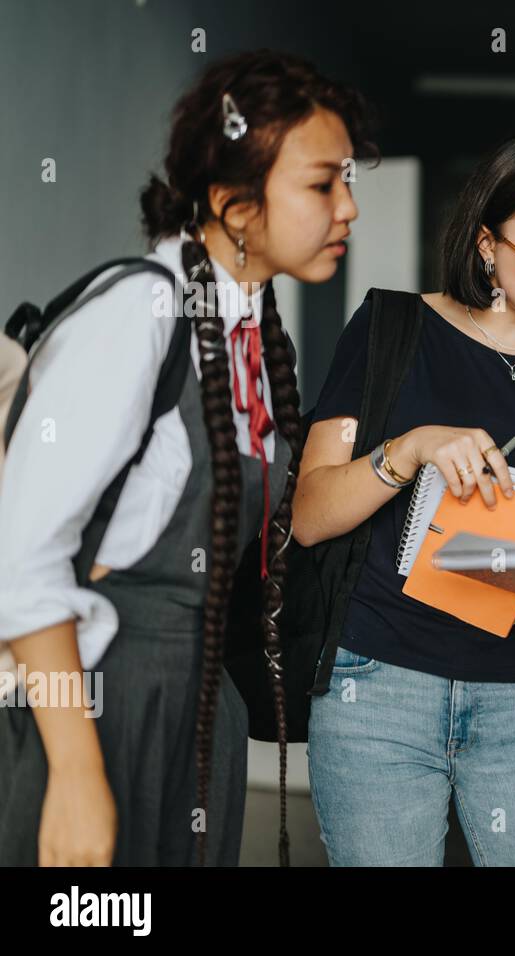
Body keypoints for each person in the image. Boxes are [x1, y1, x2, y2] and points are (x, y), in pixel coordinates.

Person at [0, 49, 371, 865]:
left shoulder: (253, 336)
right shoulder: (139, 316)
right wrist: (75, 773)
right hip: (101, 705)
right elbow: (21, 564)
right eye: (321, 184)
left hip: (201, 714)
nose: (347, 208)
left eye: (348, 181)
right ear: (235, 204)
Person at [297, 132, 515, 866]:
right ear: (487, 244)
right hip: (377, 687)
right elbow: (311, 513)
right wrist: (410, 448)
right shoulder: (392, 330)